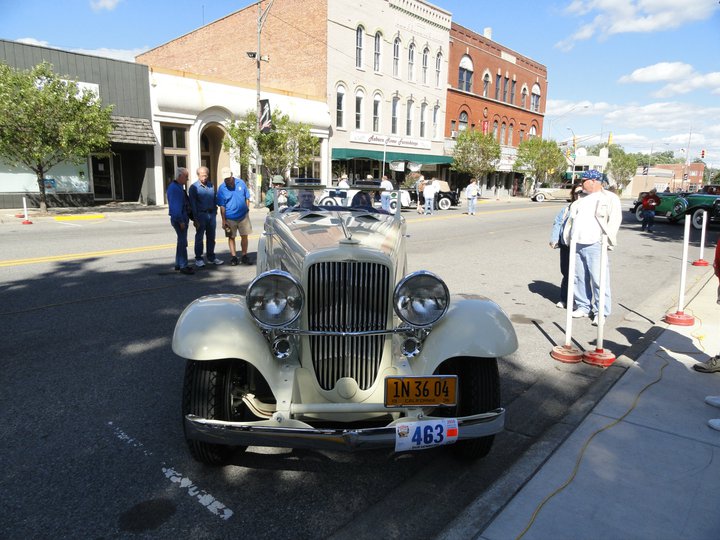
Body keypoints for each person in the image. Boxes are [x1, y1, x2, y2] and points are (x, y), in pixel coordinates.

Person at [562, 169, 622, 325]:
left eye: (584, 181)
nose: (581, 184)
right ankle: (583, 306)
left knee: (599, 279)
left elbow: (614, 220)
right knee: (578, 278)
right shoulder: (580, 199)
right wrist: (568, 238)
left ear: (594, 181)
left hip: (596, 243)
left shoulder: (609, 198)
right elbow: (571, 220)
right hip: (577, 243)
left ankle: (600, 312)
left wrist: (607, 240)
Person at [550, 185, 582, 308]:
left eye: (581, 192)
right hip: (566, 246)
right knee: (567, 273)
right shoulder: (567, 209)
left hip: (581, 246)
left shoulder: (588, 208)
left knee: (579, 275)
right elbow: (558, 222)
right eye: (576, 193)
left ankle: (579, 302)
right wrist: (554, 239)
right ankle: (565, 299)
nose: (579, 195)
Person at [188, 166, 223, 268]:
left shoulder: (211, 185)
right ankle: (199, 258)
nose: (204, 178)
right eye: (202, 175)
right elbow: (193, 204)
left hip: (211, 214)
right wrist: (195, 219)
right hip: (201, 215)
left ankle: (211, 257)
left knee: (211, 237)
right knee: (199, 237)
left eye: (206, 175)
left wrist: (215, 211)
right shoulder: (194, 188)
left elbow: (214, 199)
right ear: (198, 175)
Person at [216, 167, 252, 266]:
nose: (227, 180)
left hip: (243, 216)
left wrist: (247, 209)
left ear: (232, 175)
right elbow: (222, 206)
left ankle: (244, 255)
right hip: (230, 217)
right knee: (231, 237)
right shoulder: (222, 188)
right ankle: (234, 257)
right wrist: (224, 220)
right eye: (225, 179)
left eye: (228, 178)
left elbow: (247, 197)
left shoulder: (241, 183)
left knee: (244, 236)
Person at [167, 167, 194, 275]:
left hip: (182, 218)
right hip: (180, 219)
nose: (187, 179)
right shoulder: (174, 188)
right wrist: (181, 221)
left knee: (181, 242)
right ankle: (183, 266)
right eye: (186, 176)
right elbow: (175, 207)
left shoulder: (177, 187)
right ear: (179, 176)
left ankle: (178, 264)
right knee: (183, 243)